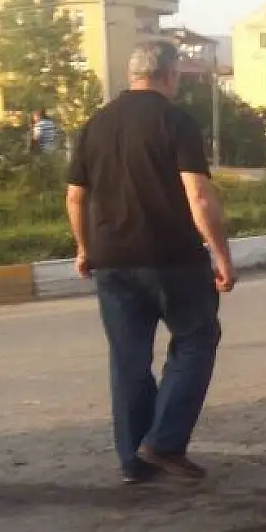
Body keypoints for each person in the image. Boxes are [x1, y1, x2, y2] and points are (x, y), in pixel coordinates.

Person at [66, 41, 237, 485]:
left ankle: (133, 460)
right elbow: (198, 195)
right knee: (197, 340)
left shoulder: (96, 124)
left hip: (112, 263)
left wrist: (84, 248)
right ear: (169, 74)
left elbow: (75, 195)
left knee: (128, 359)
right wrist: (221, 254)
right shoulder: (175, 121)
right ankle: (163, 441)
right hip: (173, 259)